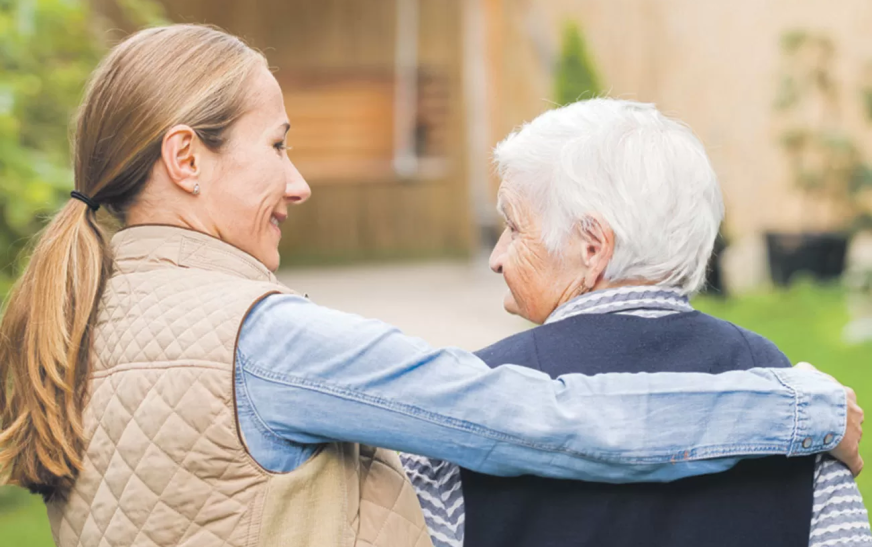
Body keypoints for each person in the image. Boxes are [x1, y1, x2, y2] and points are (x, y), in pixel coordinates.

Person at [0, 25, 860, 547]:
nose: (298, 184)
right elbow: (558, 419)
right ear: (186, 158)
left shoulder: (77, 319)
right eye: (276, 147)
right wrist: (808, 413)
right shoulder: (262, 341)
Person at [401, 99, 871, 547]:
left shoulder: (468, 403)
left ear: (592, 246)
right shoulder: (792, 395)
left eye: (515, 227)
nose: (496, 258)